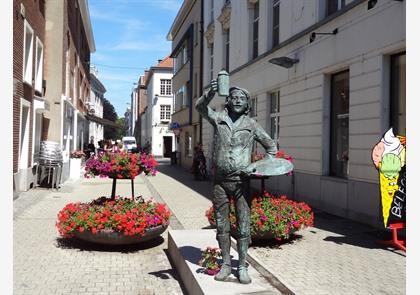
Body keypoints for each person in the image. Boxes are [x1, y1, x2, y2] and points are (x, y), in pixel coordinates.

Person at [196, 79, 277, 284]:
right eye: (234, 98)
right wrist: (209, 93)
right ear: (229, 101)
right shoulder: (219, 118)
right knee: (222, 224)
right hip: (220, 182)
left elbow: (271, 149)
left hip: (242, 183)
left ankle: (241, 266)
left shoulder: (252, 124)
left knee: (243, 226)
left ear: (247, 104)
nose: (238, 100)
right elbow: (200, 107)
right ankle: (225, 264)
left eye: (242, 98)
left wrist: (255, 167)